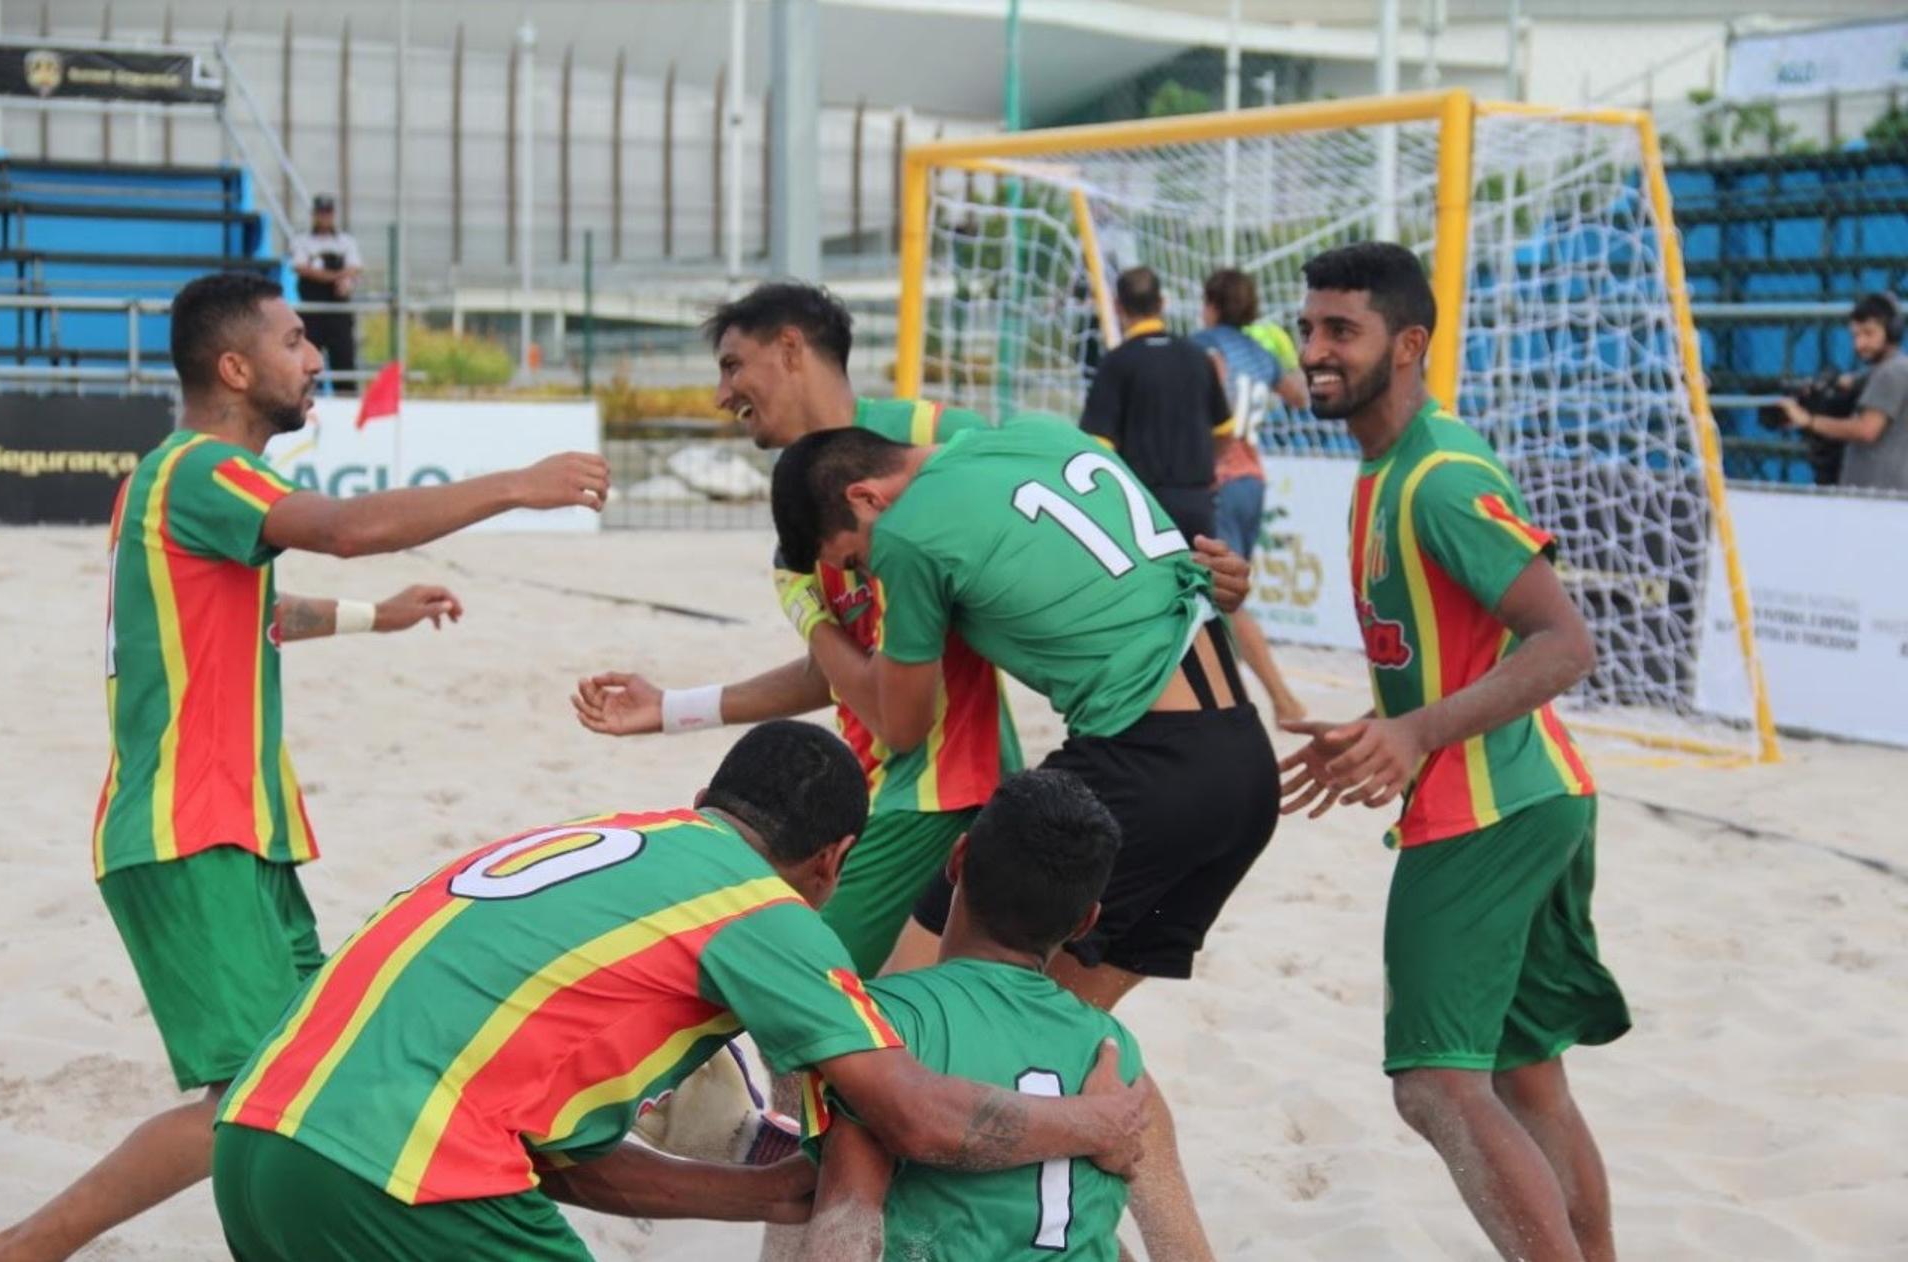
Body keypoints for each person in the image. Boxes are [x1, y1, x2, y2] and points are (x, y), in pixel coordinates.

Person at [0, 272, 611, 1262]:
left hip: (239, 828)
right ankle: (23, 1246)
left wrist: (378, 616)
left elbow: (260, 614)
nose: (315, 357)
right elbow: (346, 529)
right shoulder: (201, 466)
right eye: (293, 340)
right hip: (188, 827)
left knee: (313, 1075)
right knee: (252, 1097)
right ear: (234, 368)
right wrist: (514, 483)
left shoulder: (177, 486)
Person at [211, 721, 1149, 1261]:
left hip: (256, 1147)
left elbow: (564, 1164)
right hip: (403, 1173)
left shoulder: (616, 841)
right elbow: (921, 1120)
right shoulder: (762, 910)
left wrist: (772, 1193)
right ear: (832, 861)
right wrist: (1098, 1127)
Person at [1277, 242, 1629, 1262]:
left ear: (1410, 342)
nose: (1316, 350)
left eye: (1341, 329)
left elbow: (1567, 643)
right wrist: (1378, 724)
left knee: (1434, 1083)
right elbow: (1445, 658)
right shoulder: (1386, 465)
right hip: (1534, 793)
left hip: (1487, 810)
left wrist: (1417, 731)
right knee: (1525, 1077)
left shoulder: (1434, 476)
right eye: (1309, 329)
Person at [572, 282, 1022, 981]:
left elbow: (1065, 512)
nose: (722, 395)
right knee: (903, 1024)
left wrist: (1198, 576)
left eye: (731, 365)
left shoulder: (932, 436)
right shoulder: (801, 517)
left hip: (942, 789)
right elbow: (835, 671)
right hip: (875, 798)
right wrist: (671, 709)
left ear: (789, 349)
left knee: (797, 999)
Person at [770, 418, 1279, 1013]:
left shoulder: (908, 534)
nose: (868, 575)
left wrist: (809, 617)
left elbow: (902, 726)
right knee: (1057, 1039)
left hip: (1143, 764)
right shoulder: (1037, 435)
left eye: (857, 559)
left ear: (866, 497)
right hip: (1244, 767)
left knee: (908, 1017)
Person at [798, 769, 1215, 1262]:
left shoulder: (883, 1022)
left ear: (956, 859)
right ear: (1086, 922)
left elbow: (845, 1230)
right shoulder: (1113, 1050)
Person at [1194, 268, 1309, 723]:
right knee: (1222, 597)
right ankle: (1228, 697)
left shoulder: (1203, 346)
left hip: (1217, 478)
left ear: (1212, 303)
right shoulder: (1261, 352)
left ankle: (1283, 700)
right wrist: (1283, 354)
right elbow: (1300, 397)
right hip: (1253, 480)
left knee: (1226, 598)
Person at [1079, 265, 1230, 541]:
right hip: (1197, 502)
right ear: (1162, 303)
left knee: (1149, 584)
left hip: (1143, 504)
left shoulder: (1117, 362)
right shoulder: (1198, 357)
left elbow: (1099, 444)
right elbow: (1224, 431)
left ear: (1117, 306)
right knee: (1197, 582)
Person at [1779, 291, 1908, 492]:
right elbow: (1849, 381)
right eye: (1855, 335)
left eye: (1868, 333)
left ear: (1892, 331)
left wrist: (1809, 420)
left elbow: (1866, 430)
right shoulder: (1882, 371)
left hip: (1879, 496)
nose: (1860, 344)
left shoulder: (1891, 373)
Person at [289, 195, 363, 395]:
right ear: (314, 215)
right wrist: (336, 276)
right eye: (320, 213)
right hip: (313, 311)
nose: (324, 218)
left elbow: (355, 268)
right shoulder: (302, 240)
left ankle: (346, 399)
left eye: (327, 213)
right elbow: (301, 268)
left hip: (338, 312)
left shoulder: (346, 241)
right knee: (308, 363)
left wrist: (336, 279)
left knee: (344, 359)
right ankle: (305, 400)